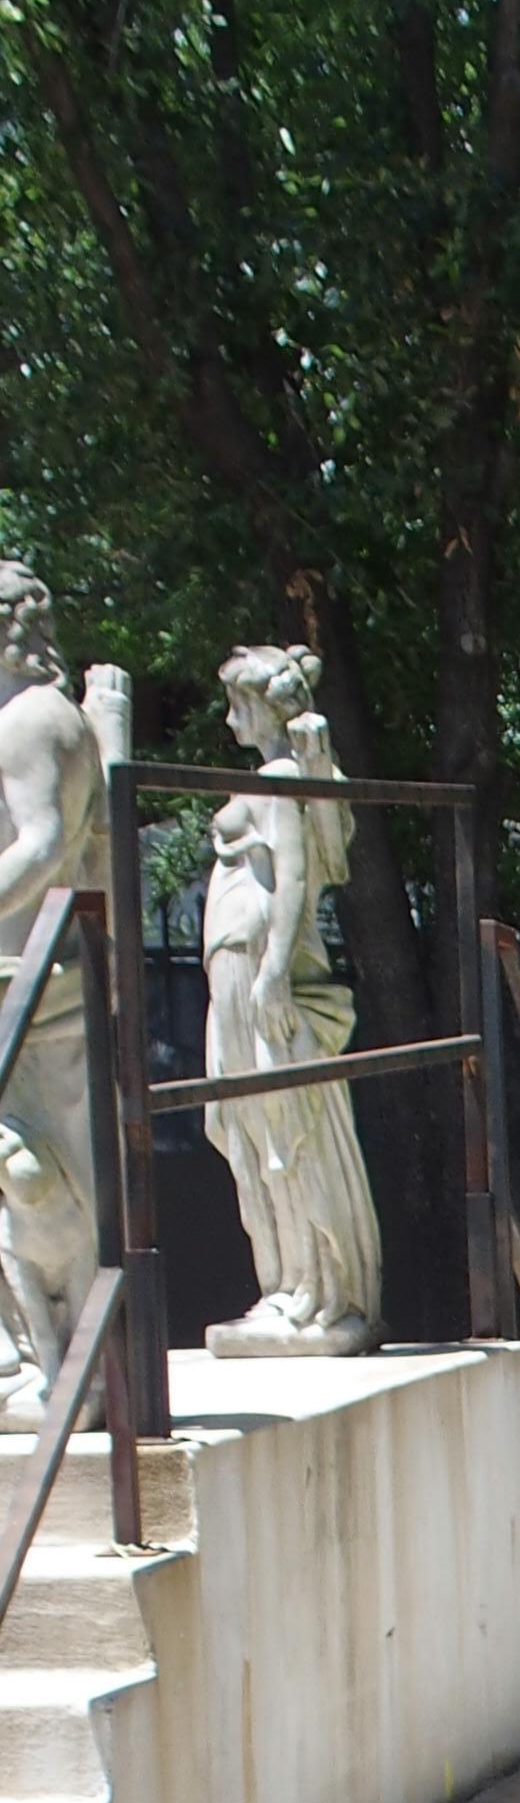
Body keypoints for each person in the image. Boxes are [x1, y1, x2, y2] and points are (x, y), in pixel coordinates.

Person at [202, 644, 383, 1357]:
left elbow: (300, 875)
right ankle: (285, 1285)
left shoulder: (280, 777)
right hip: (239, 973)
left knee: (285, 1131)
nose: (226, 717)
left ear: (262, 707)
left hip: (258, 973)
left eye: (236, 704)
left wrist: (273, 972)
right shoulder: (281, 776)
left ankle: (314, 1288)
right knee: (253, 1132)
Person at [0, 564, 110, 1407]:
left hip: (40, 986)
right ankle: (45, 1360)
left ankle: (75, 1364)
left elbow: (42, 845)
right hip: (28, 982)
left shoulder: (35, 718)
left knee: (48, 1181)